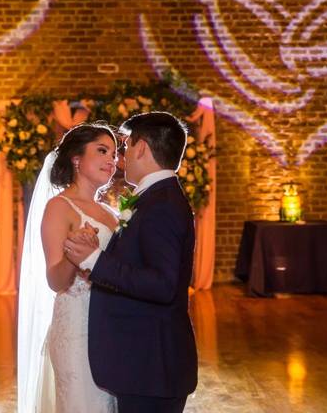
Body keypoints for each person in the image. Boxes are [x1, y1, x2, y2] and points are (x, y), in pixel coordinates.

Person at [64, 112, 198, 413]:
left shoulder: (161, 205)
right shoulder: (154, 198)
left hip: (151, 367)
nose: (121, 157)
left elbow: (162, 284)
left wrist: (94, 260)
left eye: (124, 147)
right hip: (144, 364)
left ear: (141, 148)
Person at [17, 123, 119, 413]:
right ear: (76, 159)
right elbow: (55, 280)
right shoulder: (59, 207)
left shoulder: (111, 212)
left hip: (110, 327)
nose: (111, 160)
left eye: (113, 153)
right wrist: (74, 257)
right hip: (77, 331)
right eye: (102, 151)